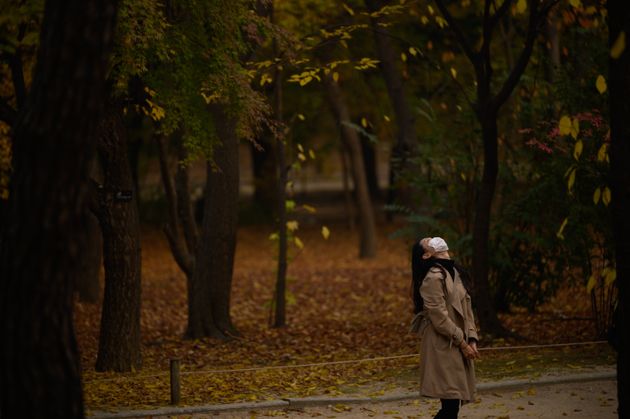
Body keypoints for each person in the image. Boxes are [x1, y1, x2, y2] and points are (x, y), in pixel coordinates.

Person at [410, 237, 479, 419]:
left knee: (453, 405)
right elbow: (439, 318)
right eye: (428, 240)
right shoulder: (432, 278)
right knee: (450, 405)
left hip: (458, 343)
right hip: (442, 346)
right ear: (426, 254)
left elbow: (467, 307)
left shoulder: (454, 271)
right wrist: (463, 343)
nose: (433, 238)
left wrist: (472, 338)